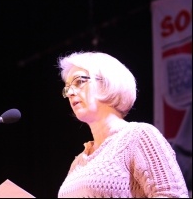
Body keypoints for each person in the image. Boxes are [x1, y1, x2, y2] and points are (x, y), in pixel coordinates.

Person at [56, 51, 189, 198]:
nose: (70, 93)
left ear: (107, 83)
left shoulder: (138, 136)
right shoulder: (78, 163)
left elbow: (173, 195)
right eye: (67, 88)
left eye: (79, 81)